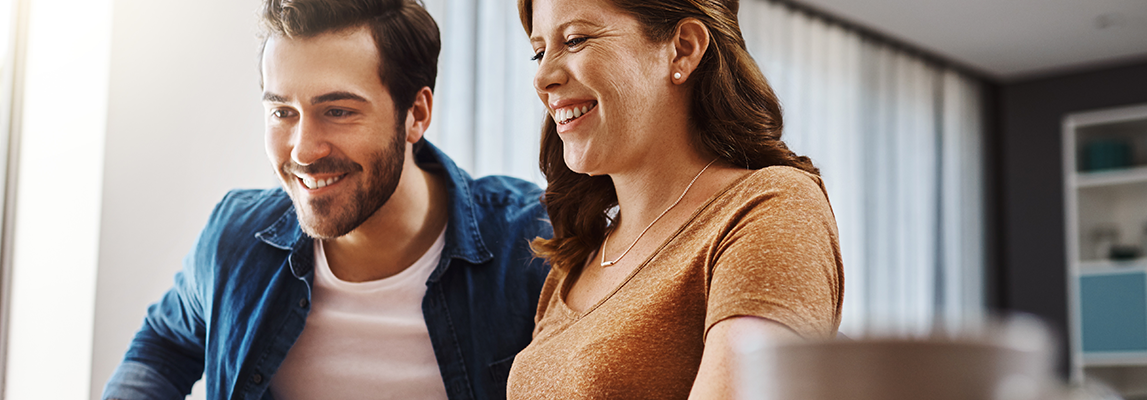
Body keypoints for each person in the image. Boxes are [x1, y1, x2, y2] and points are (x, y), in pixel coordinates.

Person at [101, 0, 551, 399]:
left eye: (337, 112)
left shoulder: (534, 246)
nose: (302, 150)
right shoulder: (234, 237)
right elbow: (165, 344)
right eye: (282, 112)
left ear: (416, 114)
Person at [506, 0, 844, 398]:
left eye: (576, 40)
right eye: (540, 52)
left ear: (683, 48)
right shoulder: (575, 265)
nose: (542, 77)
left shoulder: (770, 208)